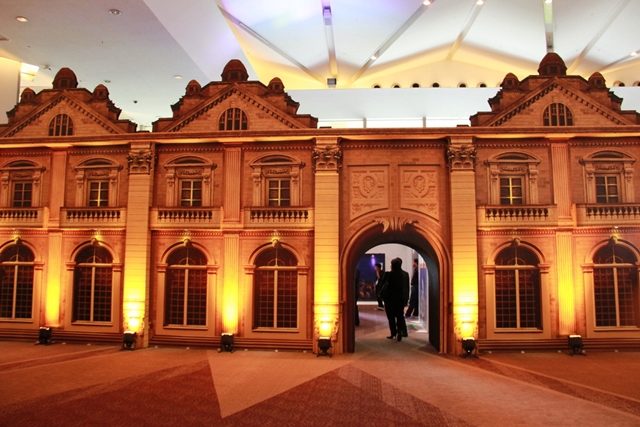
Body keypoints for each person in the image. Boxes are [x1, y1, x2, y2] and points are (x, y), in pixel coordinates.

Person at [381, 258, 408, 341]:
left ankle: (393, 333)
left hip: (389, 299)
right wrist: (406, 299)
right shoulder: (404, 274)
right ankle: (400, 330)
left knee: (391, 317)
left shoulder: (388, 275)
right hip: (400, 299)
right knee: (400, 316)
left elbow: (382, 284)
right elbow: (406, 288)